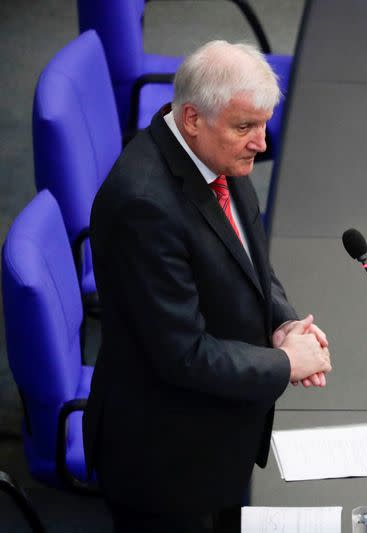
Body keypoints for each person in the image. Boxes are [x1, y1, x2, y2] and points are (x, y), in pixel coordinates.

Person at [82, 40, 332, 532]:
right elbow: (182, 353)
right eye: (246, 127)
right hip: (165, 462)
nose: (261, 143)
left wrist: (281, 321)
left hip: (218, 434)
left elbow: (248, 256)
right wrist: (284, 362)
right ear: (193, 118)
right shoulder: (144, 206)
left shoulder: (215, 151)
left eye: (263, 124)